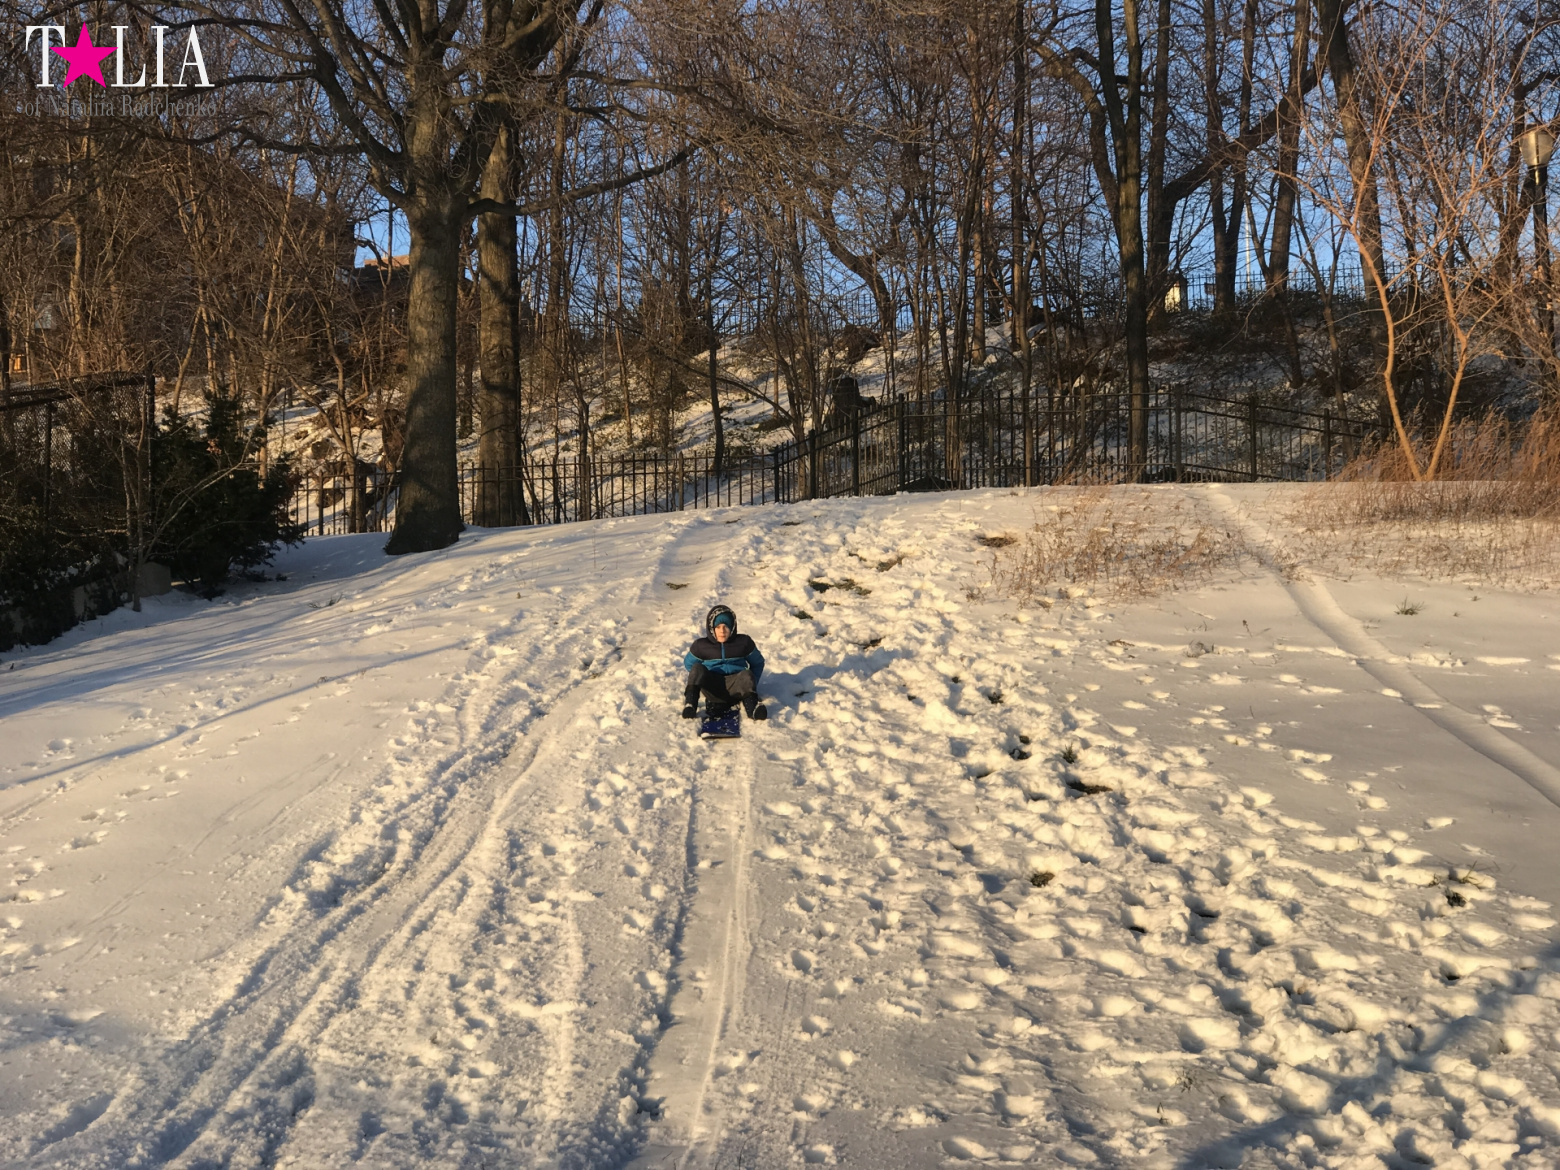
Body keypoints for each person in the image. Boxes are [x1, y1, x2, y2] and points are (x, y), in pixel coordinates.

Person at [682, 604, 767, 721]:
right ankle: (690, 705)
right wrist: (700, 681)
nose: (722, 631)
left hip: (736, 689)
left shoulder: (743, 643)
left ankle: (753, 708)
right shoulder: (701, 646)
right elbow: (689, 665)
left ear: (732, 627)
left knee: (746, 674)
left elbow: (758, 663)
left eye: (726, 626)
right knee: (697, 668)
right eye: (718, 627)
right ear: (712, 628)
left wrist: (752, 684)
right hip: (712, 687)